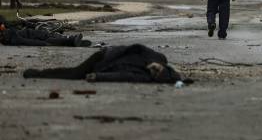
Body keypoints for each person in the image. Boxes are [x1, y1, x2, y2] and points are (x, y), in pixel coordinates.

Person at [23, 44, 186, 83]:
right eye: (157, 69)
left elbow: (122, 76)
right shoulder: (157, 57)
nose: (153, 70)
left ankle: (37, 74)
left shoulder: (146, 77)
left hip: (105, 66)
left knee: (76, 75)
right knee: (75, 73)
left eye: (155, 73)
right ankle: (38, 74)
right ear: (163, 66)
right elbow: (137, 47)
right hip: (104, 57)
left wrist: (98, 76)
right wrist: (153, 62)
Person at [0, 16, 90, 47]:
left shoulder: (7, 29)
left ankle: (68, 40)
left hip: (14, 33)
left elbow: (4, 21)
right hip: (13, 35)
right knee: (42, 39)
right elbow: (24, 41)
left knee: (43, 34)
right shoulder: (9, 36)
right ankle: (69, 40)